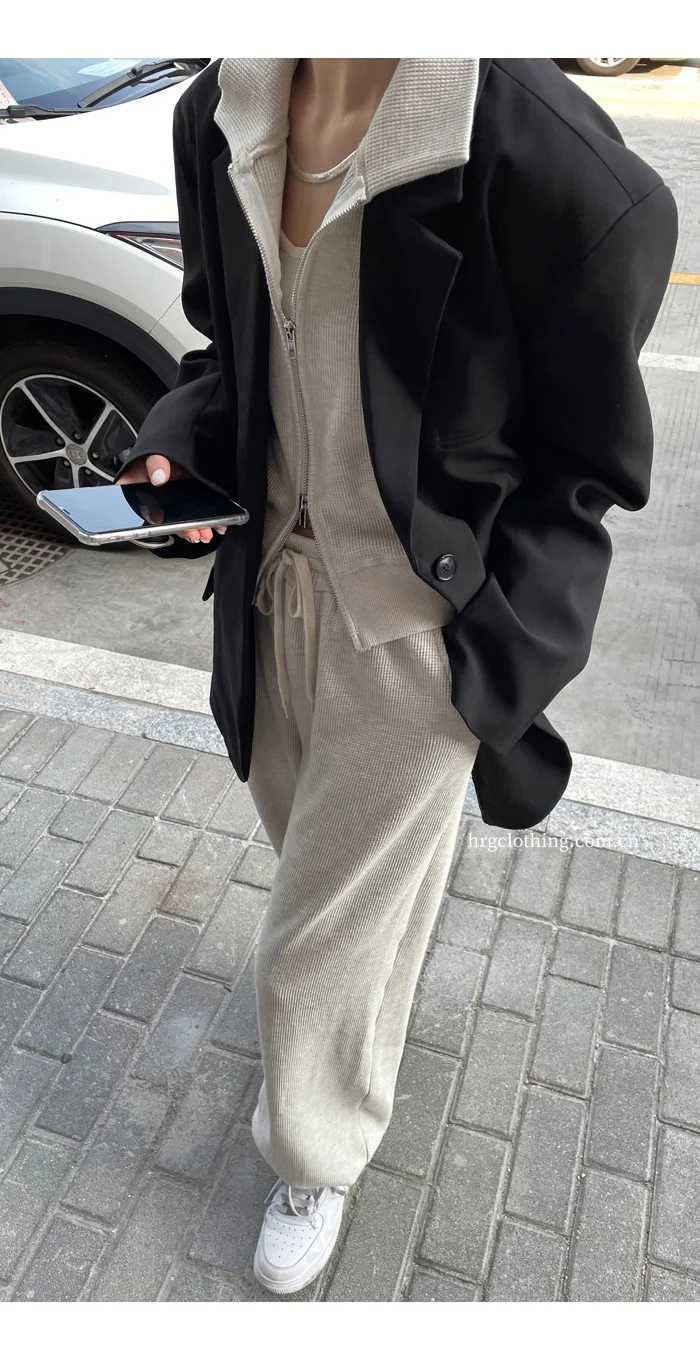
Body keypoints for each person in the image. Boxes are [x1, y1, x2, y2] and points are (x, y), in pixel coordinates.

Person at [118, 58, 677, 1294]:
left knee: (308, 940)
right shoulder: (218, 112)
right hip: (267, 597)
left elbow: (585, 459)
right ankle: (355, 1016)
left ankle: (312, 1151)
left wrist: (492, 658)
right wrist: (175, 446)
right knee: (319, 863)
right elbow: (229, 347)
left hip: (419, 639)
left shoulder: (538, 153)